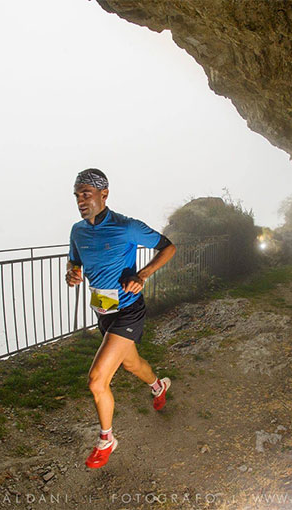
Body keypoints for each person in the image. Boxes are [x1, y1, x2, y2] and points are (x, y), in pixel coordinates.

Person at [65, 168, 176, 469]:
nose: (80, 200)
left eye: (86, 194)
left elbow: (168, 247)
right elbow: (75, 261)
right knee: (131, 363)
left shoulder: (126, 227)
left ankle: (106, 439)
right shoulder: (78, 231)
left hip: (128, 309)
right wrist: (72, 274)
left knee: (97, 379)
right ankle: (158, 386)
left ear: (104, 194)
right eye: (77, 195)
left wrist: (142, 274)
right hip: (103, 310)